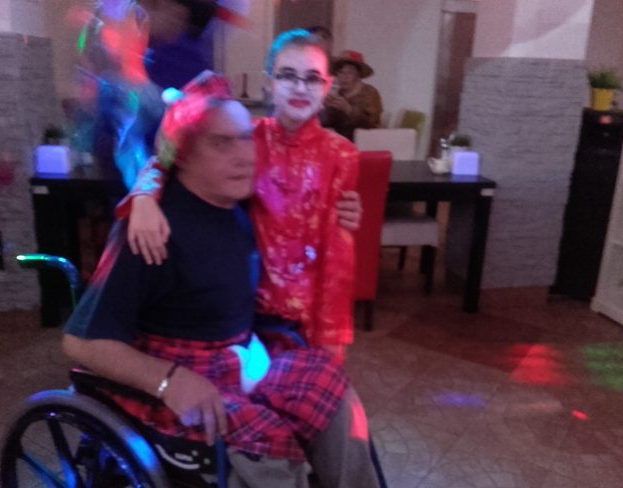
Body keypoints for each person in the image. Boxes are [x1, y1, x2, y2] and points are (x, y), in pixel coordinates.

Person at [63, 74, 380, 488]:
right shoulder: (149, 231)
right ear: (184, 153)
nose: (245, 156)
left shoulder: (242, 204)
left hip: (240, 359)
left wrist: (346, 210)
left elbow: (307, 205)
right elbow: (80, 343)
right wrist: (168, 380)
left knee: (332, 391)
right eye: (221, 143)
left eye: (247, 138)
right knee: (269, 447)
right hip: (178, 372)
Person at [118, 30, 363, 364]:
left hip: (307, 318)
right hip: (241, 308)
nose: (300, 87)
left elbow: (338, 257)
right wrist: (144, 196)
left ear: (327, 87)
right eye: (287, 75)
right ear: (268, 83)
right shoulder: (247, 136)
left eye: (312, 78)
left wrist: (330, 340)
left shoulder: (341, 155)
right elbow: (168, 156)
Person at [321, 50, 383, 141]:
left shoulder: (370, 93)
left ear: (358, 75)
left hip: (364, 142)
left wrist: (348, 109)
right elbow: (329, 123)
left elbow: (371, 123)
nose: (344, 77)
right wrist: (325, 107)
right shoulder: (339, 94)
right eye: (340, 72)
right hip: (340, 141)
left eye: (349, 72)